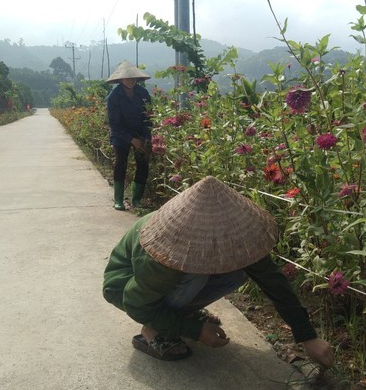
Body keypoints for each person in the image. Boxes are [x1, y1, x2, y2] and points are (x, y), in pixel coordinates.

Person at [102, 176, 334, 367]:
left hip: (157, 286)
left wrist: (307, 336)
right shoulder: (164, 253)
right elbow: (135, 302)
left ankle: (177, 313)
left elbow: (271, 280)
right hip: (127, 288)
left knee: (238, 271)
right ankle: (151, 331)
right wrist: (194, 330)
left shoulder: (236, 238)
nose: (221, 249)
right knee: (197, 275)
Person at [106, 61, 153, 210]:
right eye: (128, 78)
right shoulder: (113, 97)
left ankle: (136, 200)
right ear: (120, 79)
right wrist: (131, 139)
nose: (131, 81)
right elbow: (115, 124)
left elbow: (148, 116)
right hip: (120, 134)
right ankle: (118, 199)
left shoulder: (143, 93)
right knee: (121, 162)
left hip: (140, 132)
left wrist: (144, 137)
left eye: (133, 78)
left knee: (143, 163)